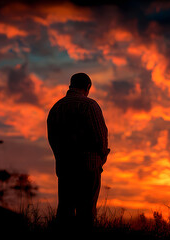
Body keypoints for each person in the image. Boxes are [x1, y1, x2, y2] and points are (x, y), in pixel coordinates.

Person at [47, 73, 110, 231]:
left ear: (71, 85)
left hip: (65, 166)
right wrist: (102, 156)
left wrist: (60, 157)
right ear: (88, 87)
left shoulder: (57, 107)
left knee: (65, 211)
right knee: (86, 212)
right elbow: (100, 136)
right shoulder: (90, 105)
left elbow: (52, 138)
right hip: (88, 166)